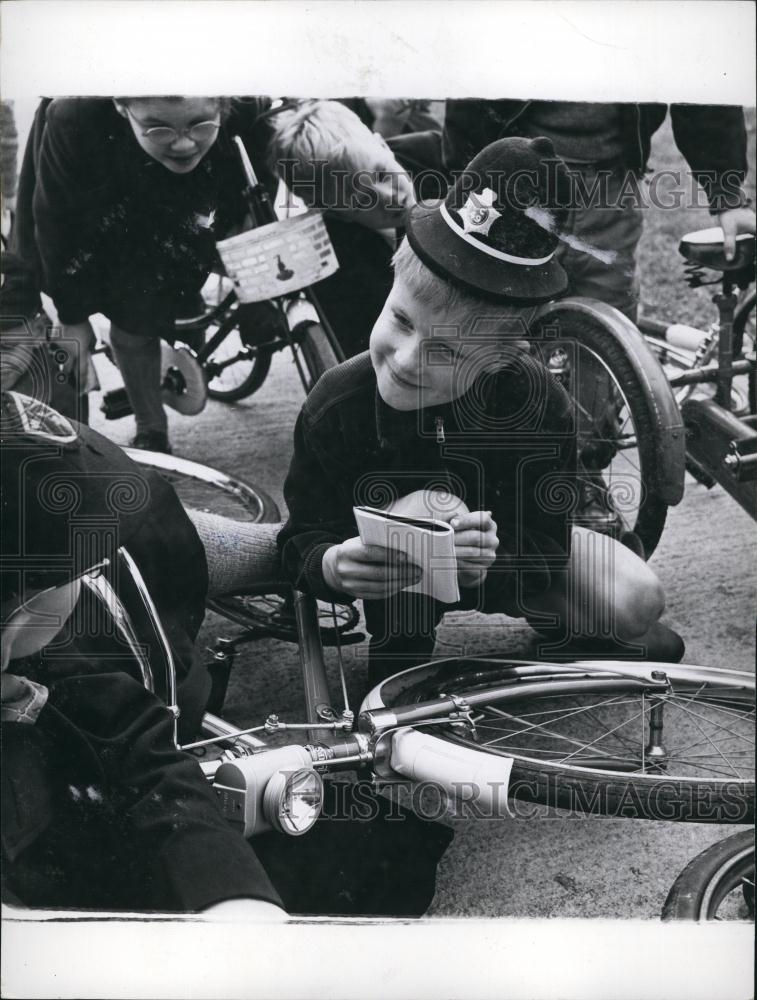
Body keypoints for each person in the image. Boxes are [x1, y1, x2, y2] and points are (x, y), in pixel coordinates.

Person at [1, 391, 451, 916]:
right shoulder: (61, 651)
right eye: (85, 566)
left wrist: (325, 560)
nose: (100, 567)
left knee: (378, 849)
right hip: (86, 856)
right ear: (23, 610)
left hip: (149, 791)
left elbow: (140, 751)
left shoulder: (63, 645)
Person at [277, 136, 684, 688]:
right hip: (392, 580)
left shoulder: (539, 404)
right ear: (390, 284)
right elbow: (299, 538)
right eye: (400, 320)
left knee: (638, 600)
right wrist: (331, 565)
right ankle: (402, 662)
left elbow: (546, 544)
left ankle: (561, 624)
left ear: (506, 354)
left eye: (447, 351)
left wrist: (488, 565)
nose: (407, 361)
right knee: (413, 516)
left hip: (503, 561)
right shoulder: (335, 405)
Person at [10, 96, 413, 454]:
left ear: (222, 104)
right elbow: (56, 221)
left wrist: (243, 239)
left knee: (195, 266)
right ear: (122, 105)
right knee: (134, 324)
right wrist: (73, 316)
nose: (183, 141)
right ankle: (152, 429)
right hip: (109, 196)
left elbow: (264, 169)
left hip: (200, 193)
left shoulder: (245, 103)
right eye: (158, 126)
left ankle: (184, 325)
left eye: (199, 122)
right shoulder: (74, 115)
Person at [440, 100, 756, 322]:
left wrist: (726, 196)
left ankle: (597, 416)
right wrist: (463, 185)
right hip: (514, 181)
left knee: (608, 321)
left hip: (610, 188)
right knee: (498, 317)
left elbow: (694, 71)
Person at [265, 99, 416, 358]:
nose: (389, 197)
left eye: (381, 174)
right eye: (359, 201)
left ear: (383, 145)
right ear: (340, 215)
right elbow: (364, 350)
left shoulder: (436, 158)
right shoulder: (340, 265)